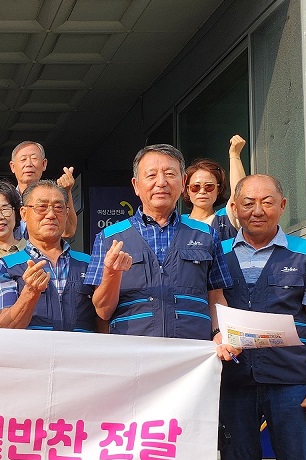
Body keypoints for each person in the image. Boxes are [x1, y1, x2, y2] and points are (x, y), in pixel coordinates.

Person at [218, 173, 306, 460]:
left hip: (291, 382)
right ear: (234, 209)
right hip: (234, 379)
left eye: (267, 202)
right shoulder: (217, 253)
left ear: (282, 206)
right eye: (248, 203)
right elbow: (212, 306)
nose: (258, 210)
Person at [87, 143, 232, 339]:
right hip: (136, 357)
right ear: (136, 185)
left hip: (191, 355)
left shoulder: (207, 234)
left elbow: (216, 297)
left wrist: (220, 334)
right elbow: (102, 311)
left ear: (183, 183)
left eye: (170, 174)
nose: (161, 182)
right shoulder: (108, 238)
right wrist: (112, 273)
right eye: (151, 175)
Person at [0, 180, 96, 332]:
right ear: (24, 214)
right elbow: (7, 326)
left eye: (58, 207)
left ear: (67, 214)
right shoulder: (6, 266)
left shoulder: (88, 263)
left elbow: (103, 319)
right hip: (33, 354)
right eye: (41, 207)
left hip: (80, 354)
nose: (51, 214)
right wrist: (30, 292)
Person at [183, 134, 248, 242]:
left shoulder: (227, 218)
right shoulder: (177, 223)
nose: (202, 191)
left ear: (219, 189)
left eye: (209, 186)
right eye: (196, 187)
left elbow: (240, 195)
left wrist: (234, 155)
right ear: (187, 190)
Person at [8, 140, 77, 240]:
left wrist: (66, 191)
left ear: (44, 164)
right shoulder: (4, 200)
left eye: (34, 158)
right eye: (23, 159)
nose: (29, 164)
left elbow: (68, 232)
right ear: (13, 167)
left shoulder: (53, 197)